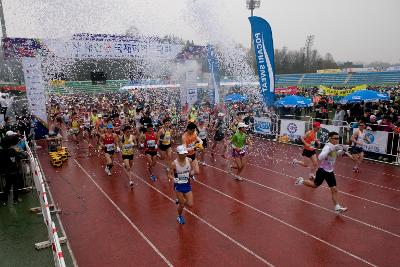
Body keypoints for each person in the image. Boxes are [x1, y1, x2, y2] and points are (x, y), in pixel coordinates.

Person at [295, 132, 348, 213]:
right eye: (335, 138)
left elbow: (336, 155)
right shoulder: (327, 147)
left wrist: (343, 150)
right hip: (322, 171)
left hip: (330, 171)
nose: (337, 140)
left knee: (334, 189)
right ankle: (301, 181)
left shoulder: (334, 147)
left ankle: (337, 207)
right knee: (315, 185)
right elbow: (320, 157)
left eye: (338, 138)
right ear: (330, 138)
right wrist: (331, 149)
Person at [168, 145, 196, 225]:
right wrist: (175, 179)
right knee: (182, 205)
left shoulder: (189, 160)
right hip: (178, 186)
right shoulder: (174, 164)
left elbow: (191, 170)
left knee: (190, 204)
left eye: (185, 153)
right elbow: (169, 175)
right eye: (182, 153)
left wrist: (191, 174)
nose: (184, 155)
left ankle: (180, 201)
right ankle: (179, 216)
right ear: (177, 153)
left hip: (187, 185)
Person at [0, 133, 28, 206]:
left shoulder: (1, 152)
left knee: (7, 186)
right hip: (14, 171)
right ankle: (15, 200)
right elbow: (20, 156)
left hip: (6, 172)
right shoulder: (13, 151)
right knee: (16, 186)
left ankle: (4, 201)